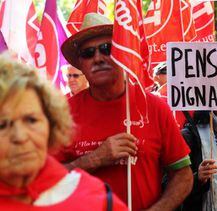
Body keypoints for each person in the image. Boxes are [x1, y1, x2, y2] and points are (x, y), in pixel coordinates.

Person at [57, 13, 193, 210]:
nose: (97, 58)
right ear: (81, 65)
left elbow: (182, 174)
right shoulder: (63, 114)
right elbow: (43, 179)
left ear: (123, 53)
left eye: (107, 49)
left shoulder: (154, 107)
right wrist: (94, 159)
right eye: (88, 53)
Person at [0, 53, 127, 210]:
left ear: (51, 125)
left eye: (31, 120)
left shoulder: (97, 200)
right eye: (2, 125)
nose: (20, 136)